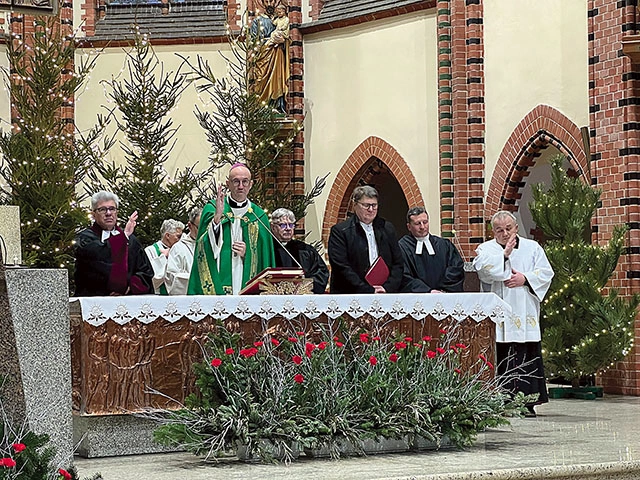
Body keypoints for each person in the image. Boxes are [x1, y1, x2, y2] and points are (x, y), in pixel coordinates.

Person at [473, 210, 554, 416]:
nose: (505, 233)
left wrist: (525, 279)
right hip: (499, 313)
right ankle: (502, 401)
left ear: (516, 228)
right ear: (493, 231)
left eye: (509, 228)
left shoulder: (532, 247)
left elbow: (546, 273)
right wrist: (505, 255)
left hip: (523, 309)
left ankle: (528, 403)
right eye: (499, 230)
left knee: (526, 353)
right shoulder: (486, 249)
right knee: (503, 355)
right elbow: (485, 271)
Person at [188, 164, 275, 295]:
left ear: (251, 184)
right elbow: (203, 247)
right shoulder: (212, 209)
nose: (241, 186)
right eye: (236, 181)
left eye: (245, 181)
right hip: (217, 285)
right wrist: (217, 219)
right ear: (228, 183)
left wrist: (249, 253)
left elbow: (265, 258)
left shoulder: (259, 216)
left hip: (246, 283)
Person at [74, 191, 153, 296]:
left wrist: (128, 288)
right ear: (93, 214)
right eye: (102, 209)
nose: (108, 213)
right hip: (95, 300)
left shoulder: (131, 240)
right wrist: (123, 238)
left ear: (117, 213)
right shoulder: (85, 238)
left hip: (127, 301)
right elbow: (98, 261)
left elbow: (145, 271)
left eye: (112, 209)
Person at [328, 186, 404, 294]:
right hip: (351, 294)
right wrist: (367, 290)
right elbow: (341, 267)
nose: (371, 210)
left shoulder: (387, 228)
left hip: (385, 293)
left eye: (374, 205)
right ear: (355, 205)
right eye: (366, 205)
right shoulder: (341, 231)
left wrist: (387, 287)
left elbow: (398, 263)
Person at [399, 207, 464, 293]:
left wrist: (443, 289)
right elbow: (403, 276)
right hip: (417, 299)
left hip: (444, 296)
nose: (422, 227)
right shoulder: (402, 247)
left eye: (425, 222)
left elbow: (456, 268)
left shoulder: (443, 245)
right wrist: (427, 291)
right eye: (418, 223)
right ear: (409, 227)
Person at [270, 208, 329, 294]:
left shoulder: (305, 250)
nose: (288, 229)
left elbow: (321, 273)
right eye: (283, 225)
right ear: (273, 227)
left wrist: (304, 285)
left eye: (291, 225)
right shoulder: (267, 250)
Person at [249, 2, 290, 113]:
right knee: (260, 78)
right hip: (263, 54)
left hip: (278, 55)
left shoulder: (282, 20)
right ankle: (261, 107)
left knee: (278, 79)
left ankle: (277, 106)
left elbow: (287, 37)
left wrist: (283, 42)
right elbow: (253, 43)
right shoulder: (257, 21)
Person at [164, 207, 201, 295]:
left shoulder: (213, 245)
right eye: (199, 227)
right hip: (188, 300)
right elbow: (171, 278)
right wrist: (198, 279)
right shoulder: (178, 248)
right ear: (190, 226)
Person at [145, 219, 184, 295]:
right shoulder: (150, 251)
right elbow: (152, 278)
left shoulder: (180, 250)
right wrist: (164, 257)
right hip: (157, 296)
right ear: (167, 236)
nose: (180, 240)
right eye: (178, 236)